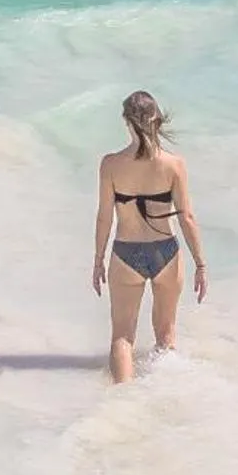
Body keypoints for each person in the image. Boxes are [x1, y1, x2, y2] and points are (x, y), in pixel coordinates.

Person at [91, 89, 207, 383]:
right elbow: (187, 217)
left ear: (126, 122)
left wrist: (98, 259)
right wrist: (200, 264)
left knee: (122, 337)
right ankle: (164, 395)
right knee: (166, 338)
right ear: (157, 120)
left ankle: (122, 403)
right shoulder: (174, 164)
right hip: (165, 253)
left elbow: (105, 216)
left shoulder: (111, 164)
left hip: (126, 253)